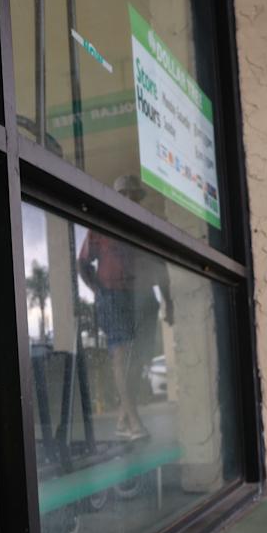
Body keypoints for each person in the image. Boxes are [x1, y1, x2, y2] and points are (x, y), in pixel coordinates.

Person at [77, 175, 174, 441]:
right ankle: (134, 421)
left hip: (143, 297)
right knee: (121, 353)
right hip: (113, 296)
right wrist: (99, 291)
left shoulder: (146, 229)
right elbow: (83, 263)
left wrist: (169, 302)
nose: (130, 199)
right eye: (124, 194)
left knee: (140, 356)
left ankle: (123, 417)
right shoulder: (101, 226)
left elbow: (161, 267)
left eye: (134, 195)